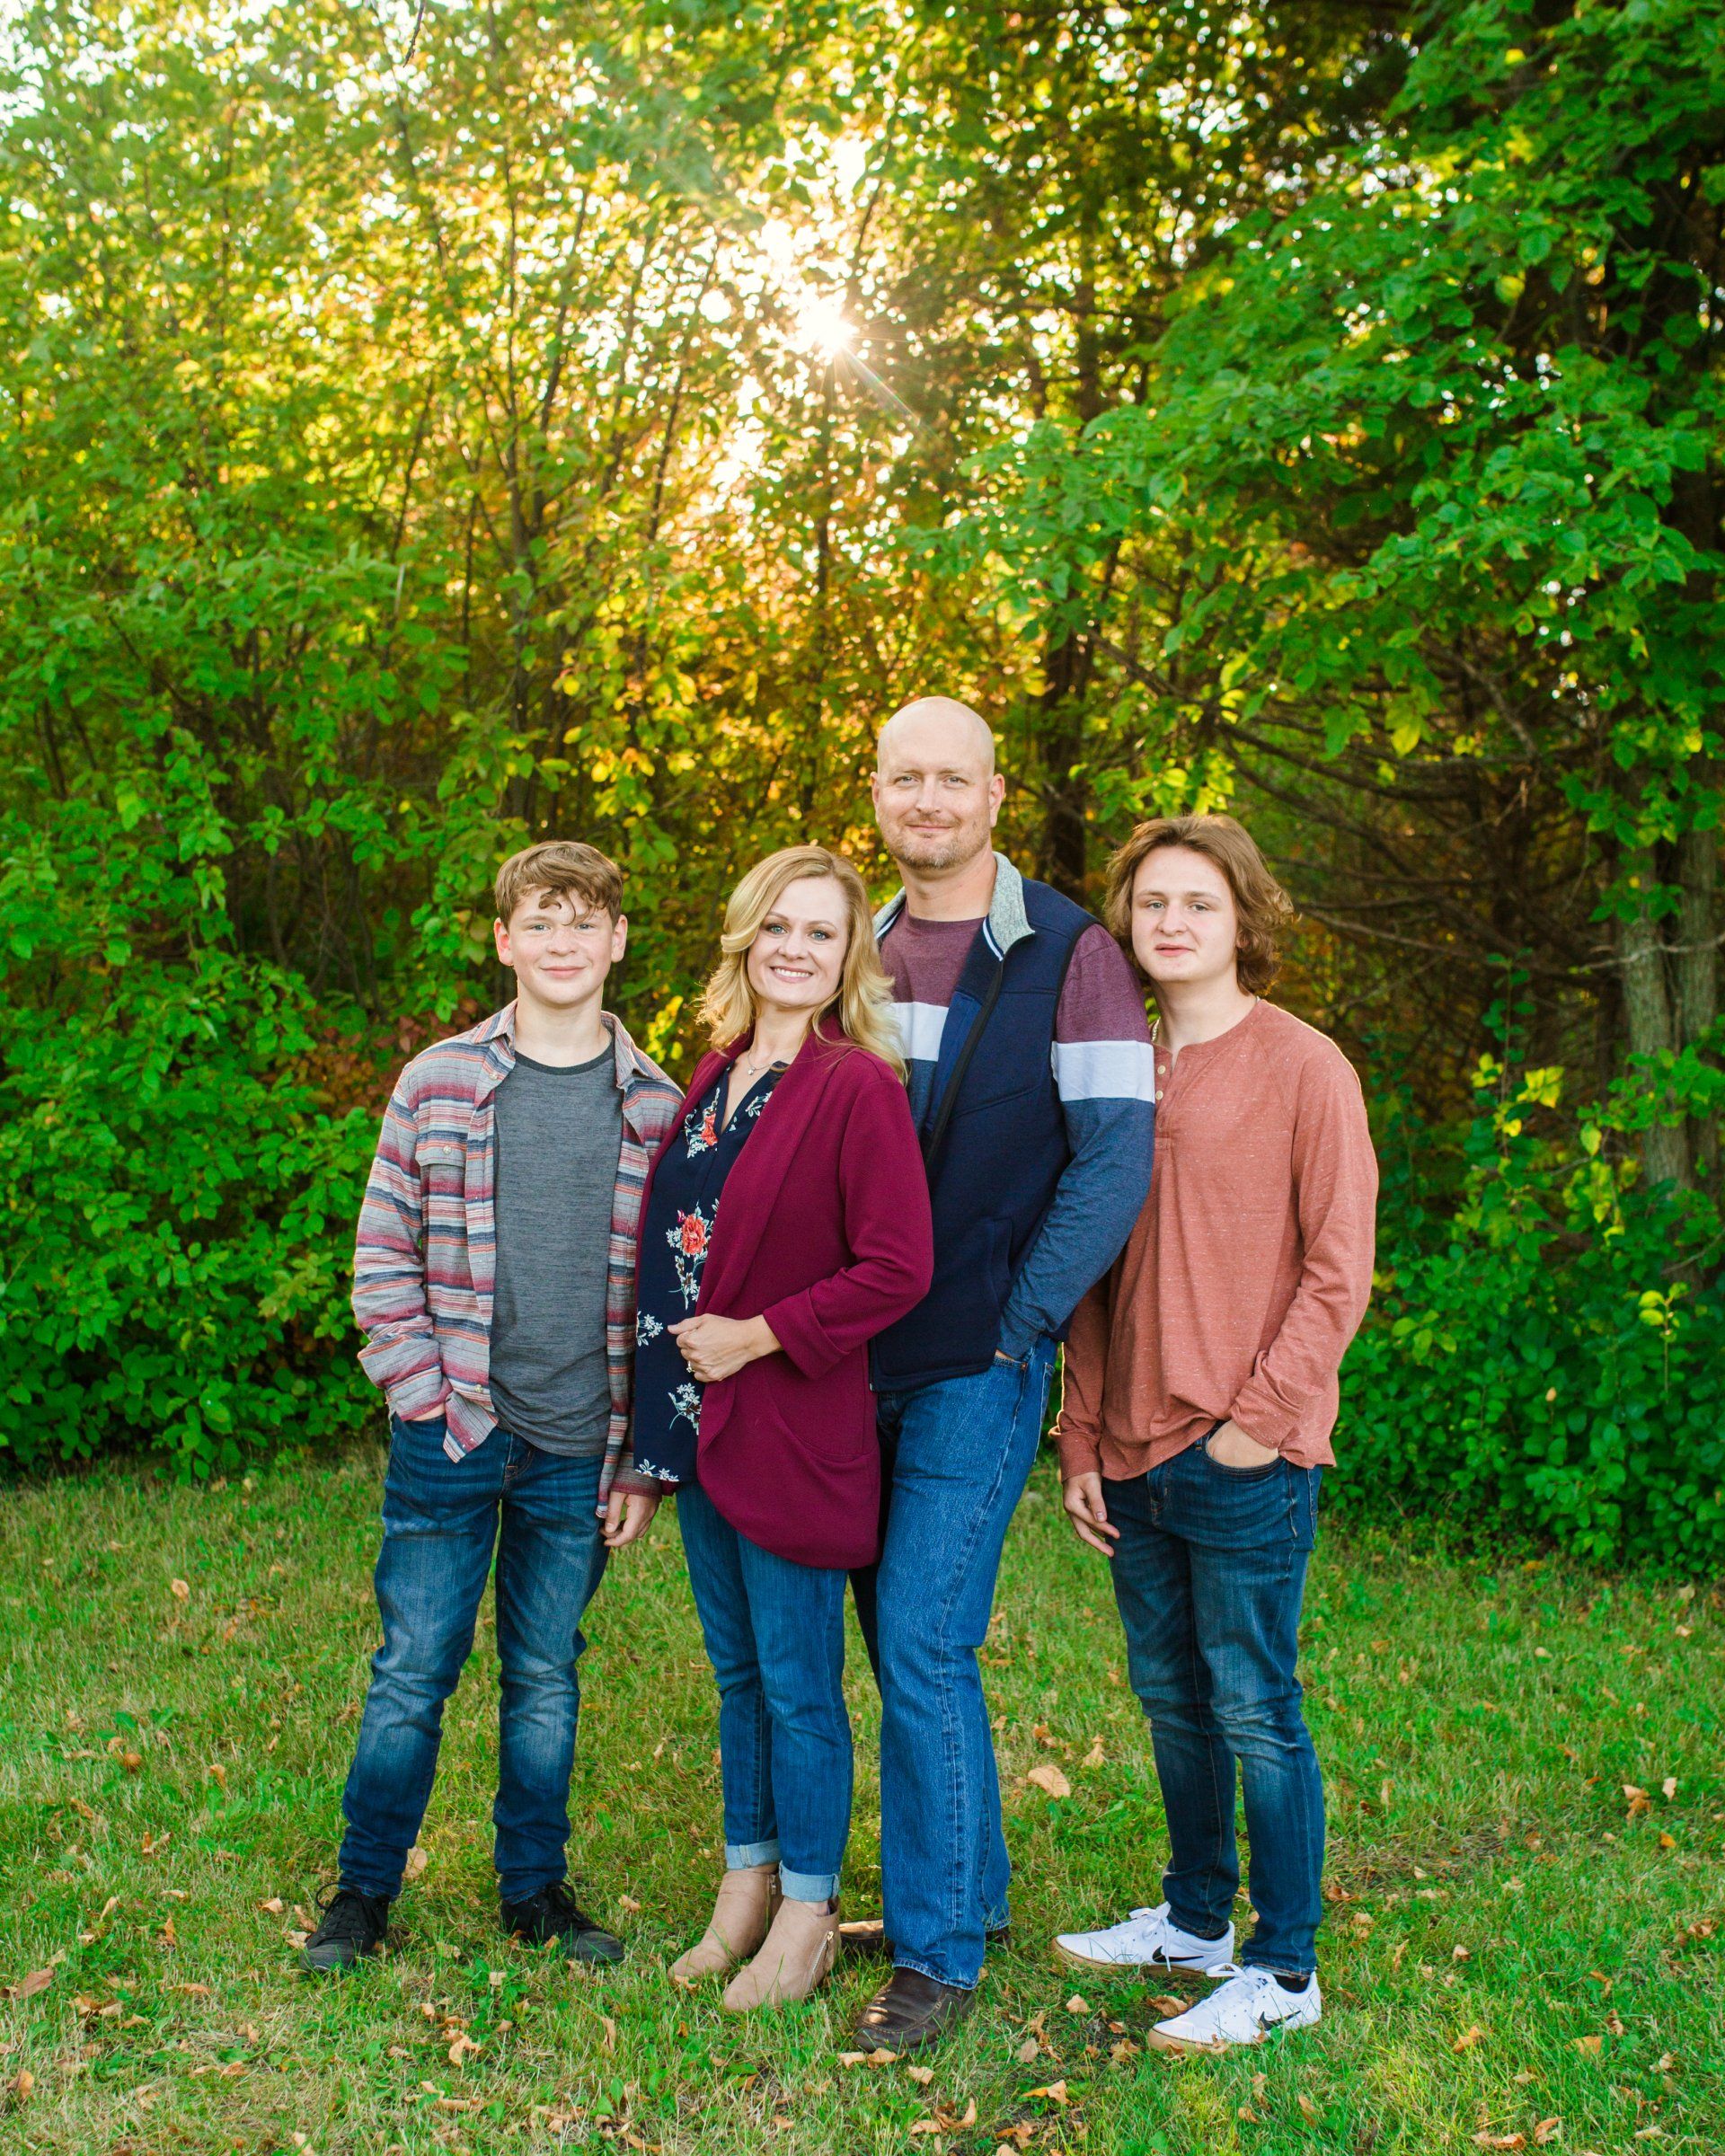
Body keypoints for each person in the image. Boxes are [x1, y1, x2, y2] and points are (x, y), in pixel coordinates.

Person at [303, 841, 681, 1975]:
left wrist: (643, 1460)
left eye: (587, 922)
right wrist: (422, 1395)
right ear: (504, 940)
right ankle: (363, 1892)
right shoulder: (441, 1080)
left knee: (546, 1673)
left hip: (583, 1442)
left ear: (617, 941)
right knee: (415, 1667)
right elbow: (382, 1255)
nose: (563, 942)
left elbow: (674, 1295)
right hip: (455, 1428)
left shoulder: (659, 1107)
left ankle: (534, 1893)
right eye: (541, 921)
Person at [845, 699, 1157, 2054]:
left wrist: (1019, 1320)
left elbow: (1115, 1160)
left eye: (951, 779)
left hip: (977, 1357)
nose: (928, 800)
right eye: (904, 778)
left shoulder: (1070, 952)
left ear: (993, 793)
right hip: (848, 1357)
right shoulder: (848, 944)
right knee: (896, 1643)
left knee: (923, 1637)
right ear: (876, 793)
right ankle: (962, 1885)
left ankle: (937, 1954)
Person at [1050, 814, 1377, 2055]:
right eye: (1151, 904)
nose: (1172, 922)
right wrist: (1080, 1435)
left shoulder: (1304, 1067)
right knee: (1172, 1701)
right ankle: (1195, 1922)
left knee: (1254, 1704)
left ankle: (1283, 1969)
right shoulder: (1115, 1066)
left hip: (1245, 1449)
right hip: (1127, 1445)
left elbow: (1339, 1272)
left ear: (1245, 918)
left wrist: (1258, 1425)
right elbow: (1084, 1264)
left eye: (1199, 902)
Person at [632, 844, 933, 2011]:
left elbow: (898, 1268)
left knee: (801, 1688)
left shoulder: (855, 1085)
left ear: (848, 956)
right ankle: (744, 1889)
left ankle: (808, 1914)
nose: (796, 950)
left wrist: (760, 1336)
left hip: (795, 1429)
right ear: (745, 938)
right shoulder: (710, 1080)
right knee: (740, 1678)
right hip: (701, 1431)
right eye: (779, 928)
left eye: (822, 933)